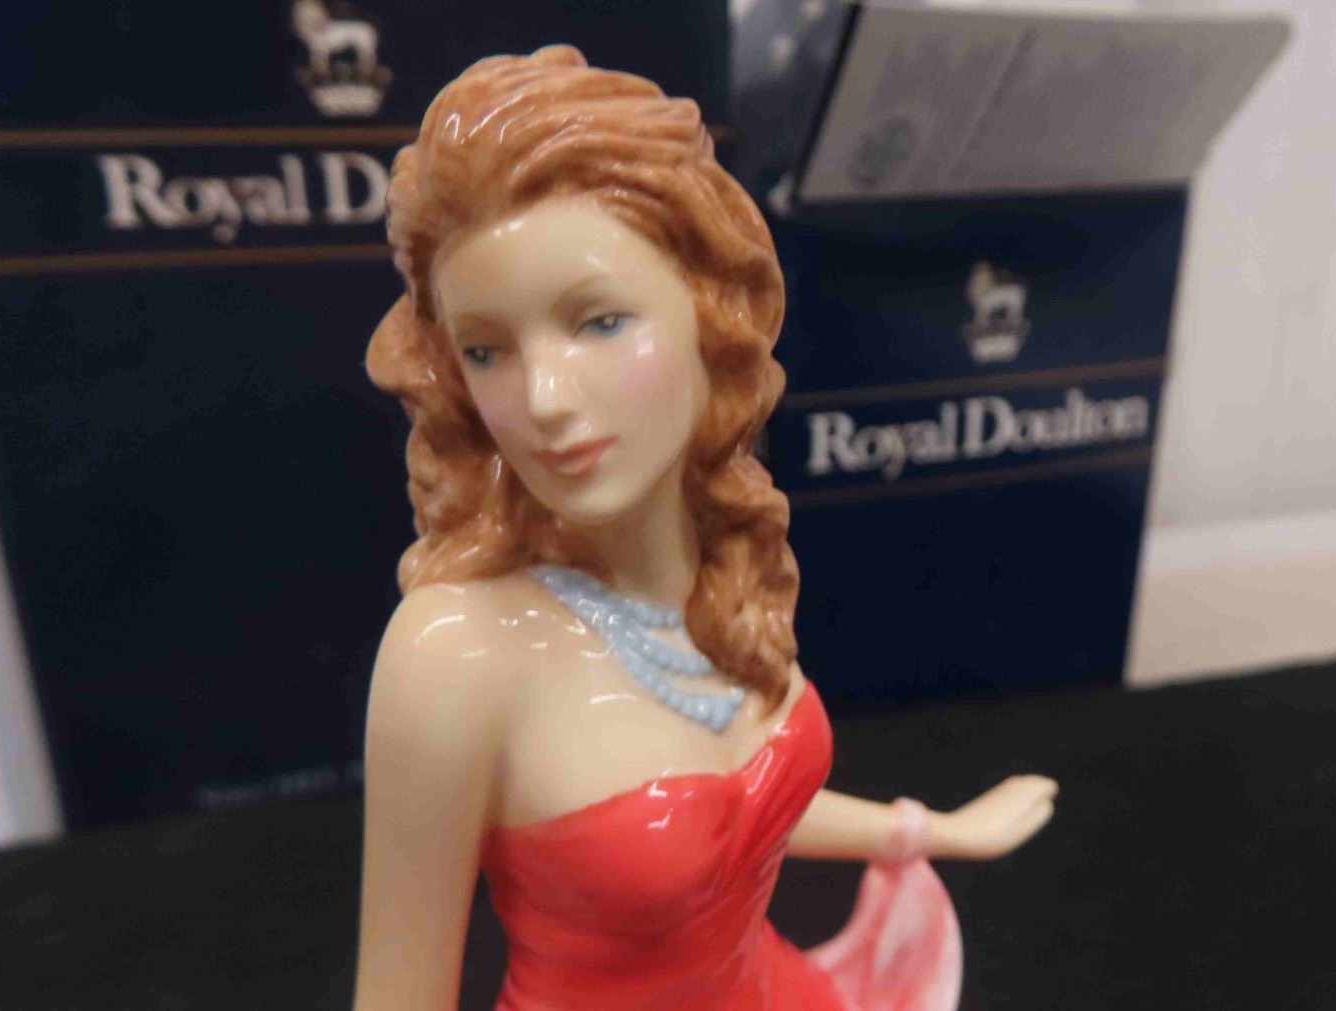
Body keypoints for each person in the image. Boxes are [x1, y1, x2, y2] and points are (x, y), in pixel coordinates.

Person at [355, 45, 1057, 1011]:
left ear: (710, 312)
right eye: (487, 349)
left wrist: (925, 830)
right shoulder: (455, 656)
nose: (544, 398)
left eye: (599, 322)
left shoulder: (724, 564)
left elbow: (741, 817)